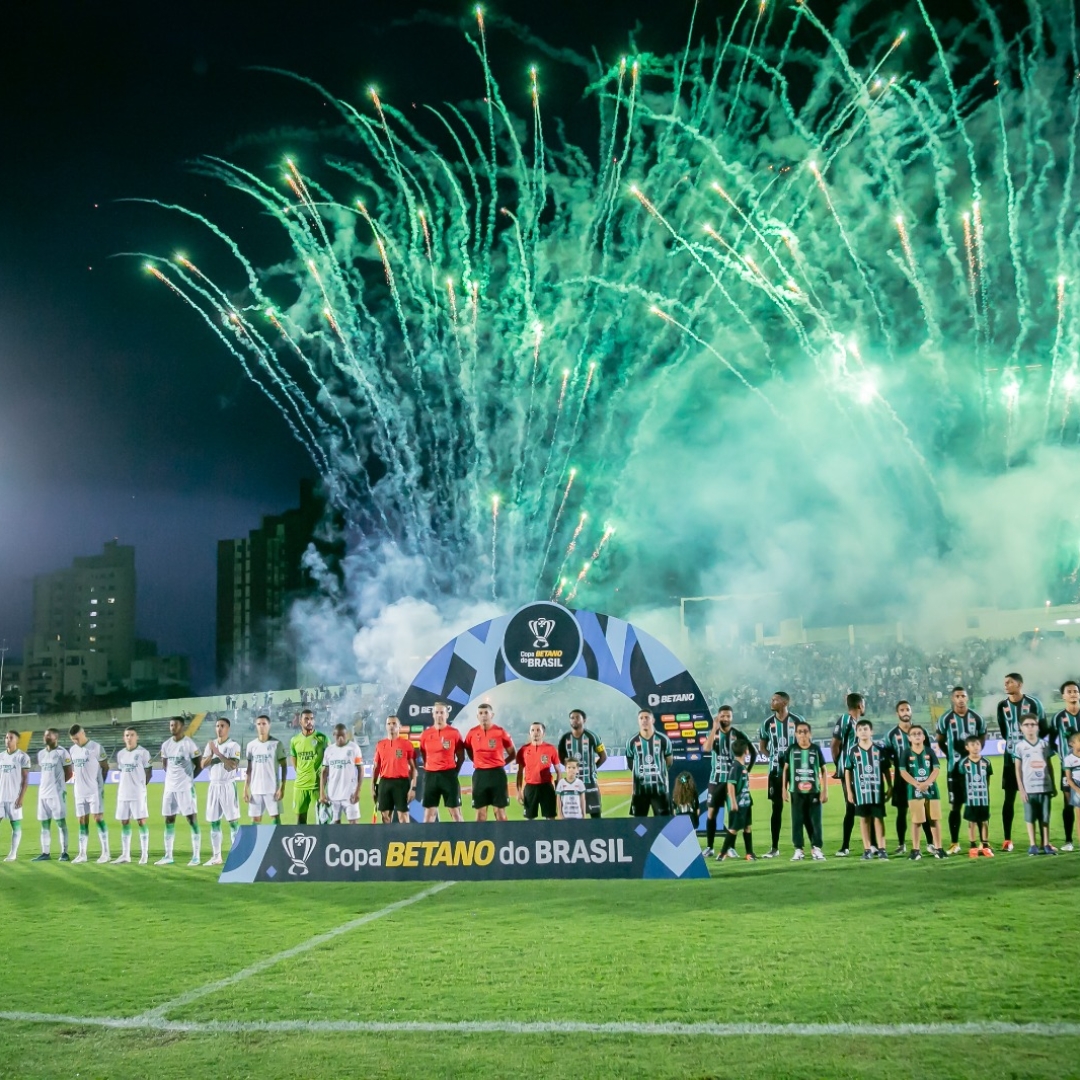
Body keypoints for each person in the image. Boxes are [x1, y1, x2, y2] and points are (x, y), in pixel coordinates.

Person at [996, 672, 1044, 852]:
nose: (1006, 685)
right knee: (1008, 799)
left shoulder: (1032, 703)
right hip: (1010, 760)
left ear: (1020, 684)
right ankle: (1007, 839)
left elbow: (1043, 727)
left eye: (1010, 682)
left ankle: (1041, 840)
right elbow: (1004, 730)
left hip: (1031, 761)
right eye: (1005, 682)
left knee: (1035, 799)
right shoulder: (1002, 706)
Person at [935, 687, 986, 855]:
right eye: (957, 696)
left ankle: (982, 843)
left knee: (976, 804)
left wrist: (972, 757)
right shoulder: (945, 719)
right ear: (952, 699)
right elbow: (941, 741)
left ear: (968, 698)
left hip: (973, 771)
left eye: (963, 696)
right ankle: (954, 842)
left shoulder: (976, 718)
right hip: (954, 770)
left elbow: (981, 739)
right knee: (955, 806)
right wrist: (952, 757)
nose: (961, 699)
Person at [702, 705, 754, 858]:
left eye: (728, 716)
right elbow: (706, 748)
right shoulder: (713, 733)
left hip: (733, 780)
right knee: (711, 813)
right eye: (722, 716)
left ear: (732, 718)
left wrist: (747, 769)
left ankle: (731, 847)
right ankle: (710, 847)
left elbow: (753, 752)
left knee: (733, 811)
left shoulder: (738, 734)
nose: (725, 719)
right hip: (716, 780)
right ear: (718, 717)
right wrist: (713, 728)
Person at [883, 700, 931, 855]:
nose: (905, 712)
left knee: (923, 810)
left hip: (921, 777)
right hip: (901, 779)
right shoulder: (891, 735)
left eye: (907, 709)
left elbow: (930, 753)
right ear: (897, 713)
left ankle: (930, 843)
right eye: (902, 710)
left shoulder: (921, 731)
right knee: (902, 812)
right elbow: (887, 756)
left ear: (911, 712)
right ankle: (901, 844)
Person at [759, 691, 801, 858]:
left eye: (775, 700)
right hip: (775, 771)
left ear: (784, 702)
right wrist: (773, 757)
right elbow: (762, 746)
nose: (772, 702)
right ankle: (774, 848)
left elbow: (805, 742)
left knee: (800, 807)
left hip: (797, 770)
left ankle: (801, 847)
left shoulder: (797, 721)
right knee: (776, 808)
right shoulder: (767, 724)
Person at [158, 717, 203, 866]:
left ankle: (196, 856)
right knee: (169, 820)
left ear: (182, 727)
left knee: (191, 820)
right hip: (170, 789)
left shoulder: (189, 744)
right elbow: (165, 765)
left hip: (185, 788)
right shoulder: (165, 745)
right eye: (171, 725)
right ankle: (168, 855)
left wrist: (189, 779)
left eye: (175, 725)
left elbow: (199, 765)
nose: (172, 727)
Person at [781, 720, 828, 861]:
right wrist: (784, 789)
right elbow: (786, 770)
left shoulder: (815, 749)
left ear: (810, 734)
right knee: (797, 821)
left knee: (815, 821)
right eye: (799, 732)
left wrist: (825, 790)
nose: (802, 735)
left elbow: (824, 770)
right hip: (796, 792)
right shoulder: (791, 749)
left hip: (814, 791)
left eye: (805, 732)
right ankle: (798, 850)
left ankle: (817, 849)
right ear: (795, 734)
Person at [898, 724, 944, 860]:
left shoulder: (929, 751)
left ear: (924, 737)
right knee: (917, 821)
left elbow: (936, 769)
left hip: (932, 790)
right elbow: (903, 771)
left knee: (934, 819)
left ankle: (939, 848)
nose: (917, 736)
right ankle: (916, 850)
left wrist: (927, 783)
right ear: (909, 738)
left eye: (919, 734)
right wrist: (917, 784)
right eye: (914, 734)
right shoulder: (906, 753)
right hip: (914, 791)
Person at [464, 704, 515, 823]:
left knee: (500, 813)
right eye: (481, 713)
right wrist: (476, 760)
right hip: (480, 775)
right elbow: (467, 748)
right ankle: (480, 840)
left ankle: (504, 840)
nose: (483, 716)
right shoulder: (472, 733)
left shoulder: (500, 732)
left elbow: (513, 754)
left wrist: (501, 764)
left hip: (497, 774)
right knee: (480, 814)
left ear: (492, 715)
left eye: (486, 713)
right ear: (477, 716)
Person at [844, 719, 888, 860]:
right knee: (864, 819)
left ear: (871, 732)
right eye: (860, 729)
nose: (863, 731)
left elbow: (886, 769)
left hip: (877, 791)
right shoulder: (853, 751)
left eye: (866, 729)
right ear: (856, 733)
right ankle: (867, 849)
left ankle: (882, 848)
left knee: (878, 819)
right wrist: (850, 792)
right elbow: (847, 771)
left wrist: (890, 787)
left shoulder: (879, 750)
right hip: (860, 792)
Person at [1014, 712, 1057, 855]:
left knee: (1045, 817)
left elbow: (1049, 766)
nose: (1030, 727)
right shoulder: (1020, 746)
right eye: (1026, 725)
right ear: (1021, 728)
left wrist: (1054, 786)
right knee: (1030, 817)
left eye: (1033, 724)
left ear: (1037, 727)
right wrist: (1021, 789)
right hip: (1029, 788)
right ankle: (1033, 844)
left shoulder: (1044, 745)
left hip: (1044, 787)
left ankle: (1046, 844)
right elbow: (1018, 769)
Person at [201, 717, 242, 865]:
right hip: (213, 786)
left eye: (222, 726)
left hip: (227, 786)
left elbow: (232, 766)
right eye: (217, 726)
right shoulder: (210, 745)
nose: (219, 728)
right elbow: (202, 764)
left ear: (228, 728)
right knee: (214, 822)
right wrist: (212, 753)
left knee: (232, 822)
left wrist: (218, 753)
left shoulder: (234, 745)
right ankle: (217, 856)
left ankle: (237, 855)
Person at [69, 725, 110, 863]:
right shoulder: (73, 750)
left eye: (77, 738)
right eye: (73, 739)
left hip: (94, 791)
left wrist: (100, 785)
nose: (76, 741)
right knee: (82, 821)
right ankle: (82, 853)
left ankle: (106, 853)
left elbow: (105, 767)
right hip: (79, 791)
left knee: (98, 819)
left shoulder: (96, 747)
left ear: (83, 733)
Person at [831, 692, 865, 856]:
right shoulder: (845, 720)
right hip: (849, 770)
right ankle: (844, 846)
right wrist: (839, 765)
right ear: (859, 705)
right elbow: (834, 745)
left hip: (861, 770)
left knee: (865, 806)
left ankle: (871, 844)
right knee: (851, 806)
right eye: (863, 703)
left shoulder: (860, 723)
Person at [418, 702, 465, 823]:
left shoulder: (454, 733)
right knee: (429, 815)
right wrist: (431, 766)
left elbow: (461, 757)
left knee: (455, 813)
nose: (439, 715)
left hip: (449, 775)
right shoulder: (425, 735)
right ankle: (428, 840)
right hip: (431, 776)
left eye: (442, 712)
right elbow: (424, 754)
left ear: (447, 714)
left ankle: (462, 839)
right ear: (433, 714)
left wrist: (454, 772)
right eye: (437, 712)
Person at [556, 710, 607, 818]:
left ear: (584, 720)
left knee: (595, 815)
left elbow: (603, 756)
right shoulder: (564, 739)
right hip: (572, 783)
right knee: (573, 815)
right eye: (572, 718)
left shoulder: (592, 736)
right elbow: (561, 758)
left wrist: (593, 768)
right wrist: (571, 770)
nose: (575, 720)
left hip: (590, 782)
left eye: (577, 717)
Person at [33, 728, 73, 862]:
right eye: (45, 736)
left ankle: (64, 853)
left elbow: (69, 773)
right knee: (44, 824)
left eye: (48, 736)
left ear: (56, 737)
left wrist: (59, 785)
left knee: (61, 823)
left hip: (56, 794)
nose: (46, 738)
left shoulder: (62, 753)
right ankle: (45, 852)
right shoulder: (41, 754)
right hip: (43, 794)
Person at [1049, 680, 1080, 851]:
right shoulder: (1058, 718)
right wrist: (1061, 754)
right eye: (1069, 691)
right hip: (1068, 768)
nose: (1073, 694)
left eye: (1075, 691)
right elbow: (1051, 740)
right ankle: (1069, 841)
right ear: (1063, 696)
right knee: (1068, 802)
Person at [114, 727, 151, 864]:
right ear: (124, 738)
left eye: (132, 735)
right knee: (124, 821)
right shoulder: (121, 754)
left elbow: (149, 772)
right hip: (123, 793)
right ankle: (125, 855)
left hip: (137, 793)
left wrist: (141, 787)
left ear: (137, 737)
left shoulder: (143, 753)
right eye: (126, 735)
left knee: (141, 821)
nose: (129, 737)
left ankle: (144, 854)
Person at [626, 710, 673, 817]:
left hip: (660, 790)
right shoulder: (632, 741)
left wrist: (658, 773)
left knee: (663, 823)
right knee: (638, 824)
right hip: (639, 791)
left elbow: (669, 762)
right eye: (641, 718)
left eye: (647, 717)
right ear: (638, 721)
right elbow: (630, 764)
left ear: (653, 720)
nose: (644, 720)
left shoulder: (663, 739)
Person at [372, 715, 417, 824]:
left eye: (394, 724)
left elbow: (413, 768)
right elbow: (376, 768)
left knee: (403, 815)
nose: (391, 726)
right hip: (384, 782)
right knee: (385, 816)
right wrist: (372, 787)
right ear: (386, 727)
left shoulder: (407, 744)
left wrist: (413, 788)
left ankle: (405, 839)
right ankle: (388, 839)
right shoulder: (380, 744)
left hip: (401, 783)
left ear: (399, 727)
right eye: (389, 724)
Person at [244, 714, 288, 824]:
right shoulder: (251, 746)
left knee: (275, 818)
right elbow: (249, 770)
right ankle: (256, 841)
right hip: (255, 789)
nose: (261, 726)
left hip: (272, 789)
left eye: (264, 724)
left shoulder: (277, 744)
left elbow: (284, 766)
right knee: (255, 819)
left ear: (269, 725)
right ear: (256, 726)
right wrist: (245, 789)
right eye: (258, 724)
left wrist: (282, 787)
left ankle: (278, 840)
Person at [289, 709, 329, 825]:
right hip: (300, 785)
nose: (309, 721)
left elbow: (330, 760)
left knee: (323, 820)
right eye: (306, 719)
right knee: (300, 820)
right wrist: (302, 773)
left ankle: (324, 842)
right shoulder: (294, 740)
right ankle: (302, 843)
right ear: (300, 722)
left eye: (311, 719)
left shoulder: (322, 738)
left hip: (318, 786)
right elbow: (294, 760)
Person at [719, 737, 756, 860]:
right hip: (738, 804)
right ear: (746, 751)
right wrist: (733, 802)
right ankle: (722, 853)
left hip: (746, 802)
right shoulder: (736, 767)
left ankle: (749, 853)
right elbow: (730, 785)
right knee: (734, 828)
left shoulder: (741, 766)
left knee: (747, 827)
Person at [516, 722, 562, 820]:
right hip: (530, 788)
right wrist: (519, 791)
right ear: (529, 733)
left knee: (550, 817)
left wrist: (558, 787)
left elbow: (558, 770)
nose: (535, 733)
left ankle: (550, 835)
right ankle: (530, 836)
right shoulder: (523, 750)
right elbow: (519, 772)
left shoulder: (551, 749)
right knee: (529, 818)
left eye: (538, 730)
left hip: (546, 787)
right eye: (532, 730)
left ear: (543, 734)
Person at [320, 723, 363, 824]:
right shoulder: (329, 750)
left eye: (342, 735)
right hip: (333, 795)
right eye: (337, 735)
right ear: (334, 735)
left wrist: (357, 791)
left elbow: (361, 769)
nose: (340, 738)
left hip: (350, 795)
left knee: (353, 824)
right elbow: (324, 772)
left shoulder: (354, 748)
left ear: (346, 734)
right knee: (335, 825)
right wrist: (322, 792)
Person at [959, 734, 994, 858]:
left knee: (984, 821)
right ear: (967, 747)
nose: (975, 747)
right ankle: (973, 846)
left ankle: (985, 845)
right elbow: (962, 780)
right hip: (970, 799)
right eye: (972, 745)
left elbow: (988, 779)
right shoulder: (963, 763)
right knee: (972, 822)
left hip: (983, 798)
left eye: (978, 744)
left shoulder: (986, 762)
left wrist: (984, 791)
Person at [0, 731, 30, 861]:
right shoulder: (1, 756)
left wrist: (21, 797)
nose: (8, 740)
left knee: (15, 825)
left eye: (11, 738)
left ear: (17, 740)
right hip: (0, 797)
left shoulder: (22, 757)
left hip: (14, 798)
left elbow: (25, 780)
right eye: (6, 737)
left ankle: (13, 853)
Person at [1062, 730, 1080, 849]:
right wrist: (1077, 790)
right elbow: (1068, 778)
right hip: (1077, 787)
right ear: (1072, 743)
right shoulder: (1069, 759)